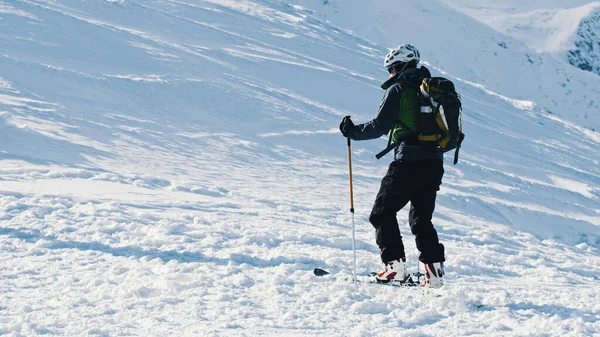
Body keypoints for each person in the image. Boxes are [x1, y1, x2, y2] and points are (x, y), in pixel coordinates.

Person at [339, 44, 445, 288]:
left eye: (391, 69)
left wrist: (352, 132)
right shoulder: (430, 90)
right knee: (421, 219)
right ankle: (434, 273)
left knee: (382, 212)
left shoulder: (399, 89)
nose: (390, 74)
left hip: (407, 160)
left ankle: (394, 267)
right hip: (434, 161)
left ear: (399, 67)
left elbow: (380, 125)